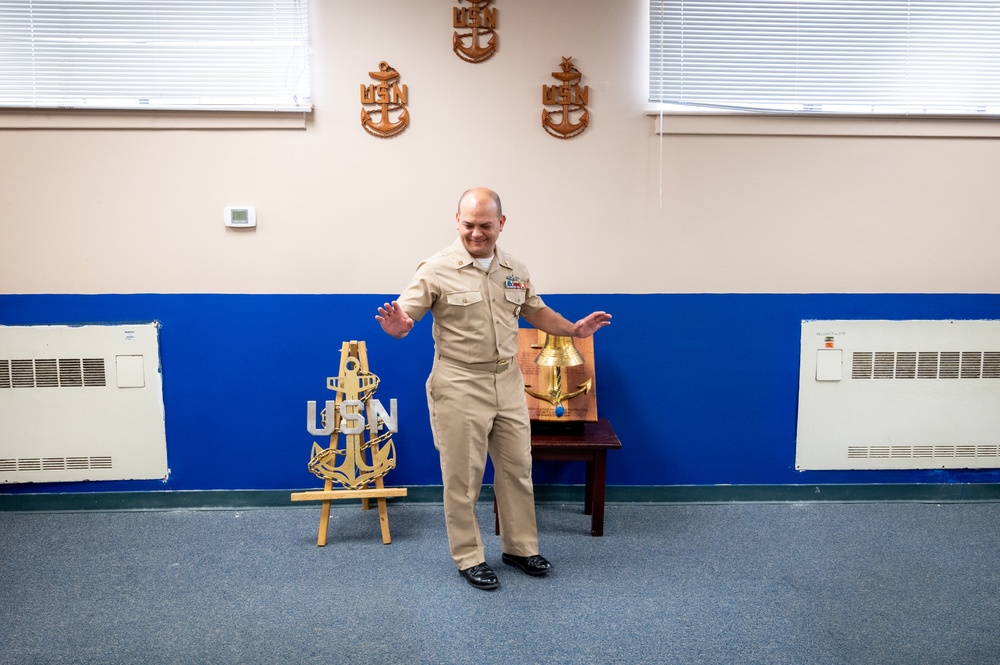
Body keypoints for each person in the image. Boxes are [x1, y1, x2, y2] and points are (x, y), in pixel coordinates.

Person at [376, 187, 611, 591]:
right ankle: (469, 556)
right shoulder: (435, 268)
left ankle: (519, 548)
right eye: (468, 224)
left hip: (507, 381)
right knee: (463, 477)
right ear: (457, 220)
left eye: (485, 225)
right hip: (459, 382)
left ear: (501, 223)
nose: (476, 233)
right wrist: (399, 328)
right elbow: (407, 314)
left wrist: (573, 329)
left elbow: (534, 310)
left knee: (518, 470)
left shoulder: (514, 269)